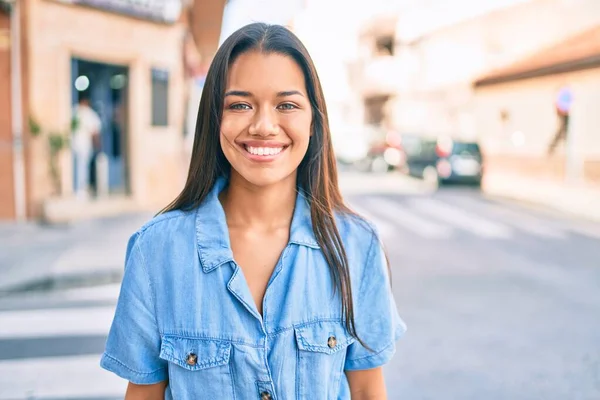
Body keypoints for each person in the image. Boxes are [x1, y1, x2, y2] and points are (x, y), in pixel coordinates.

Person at [100, 23, 406, 399]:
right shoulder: (157, 250)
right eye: (240, 104)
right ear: (214, 119)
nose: (263, 126)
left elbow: (366, 391)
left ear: (314, 122)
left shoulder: (356, 246)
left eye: (287, 105)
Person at [72, 90, 101, 199]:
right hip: (84, 145)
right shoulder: (89, 113)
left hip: (74, 145)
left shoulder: (74, 111)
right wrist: (98, 144)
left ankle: (78, 190)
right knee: (83, 168)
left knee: (78, 167)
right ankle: (81, 191)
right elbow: (95, 131)